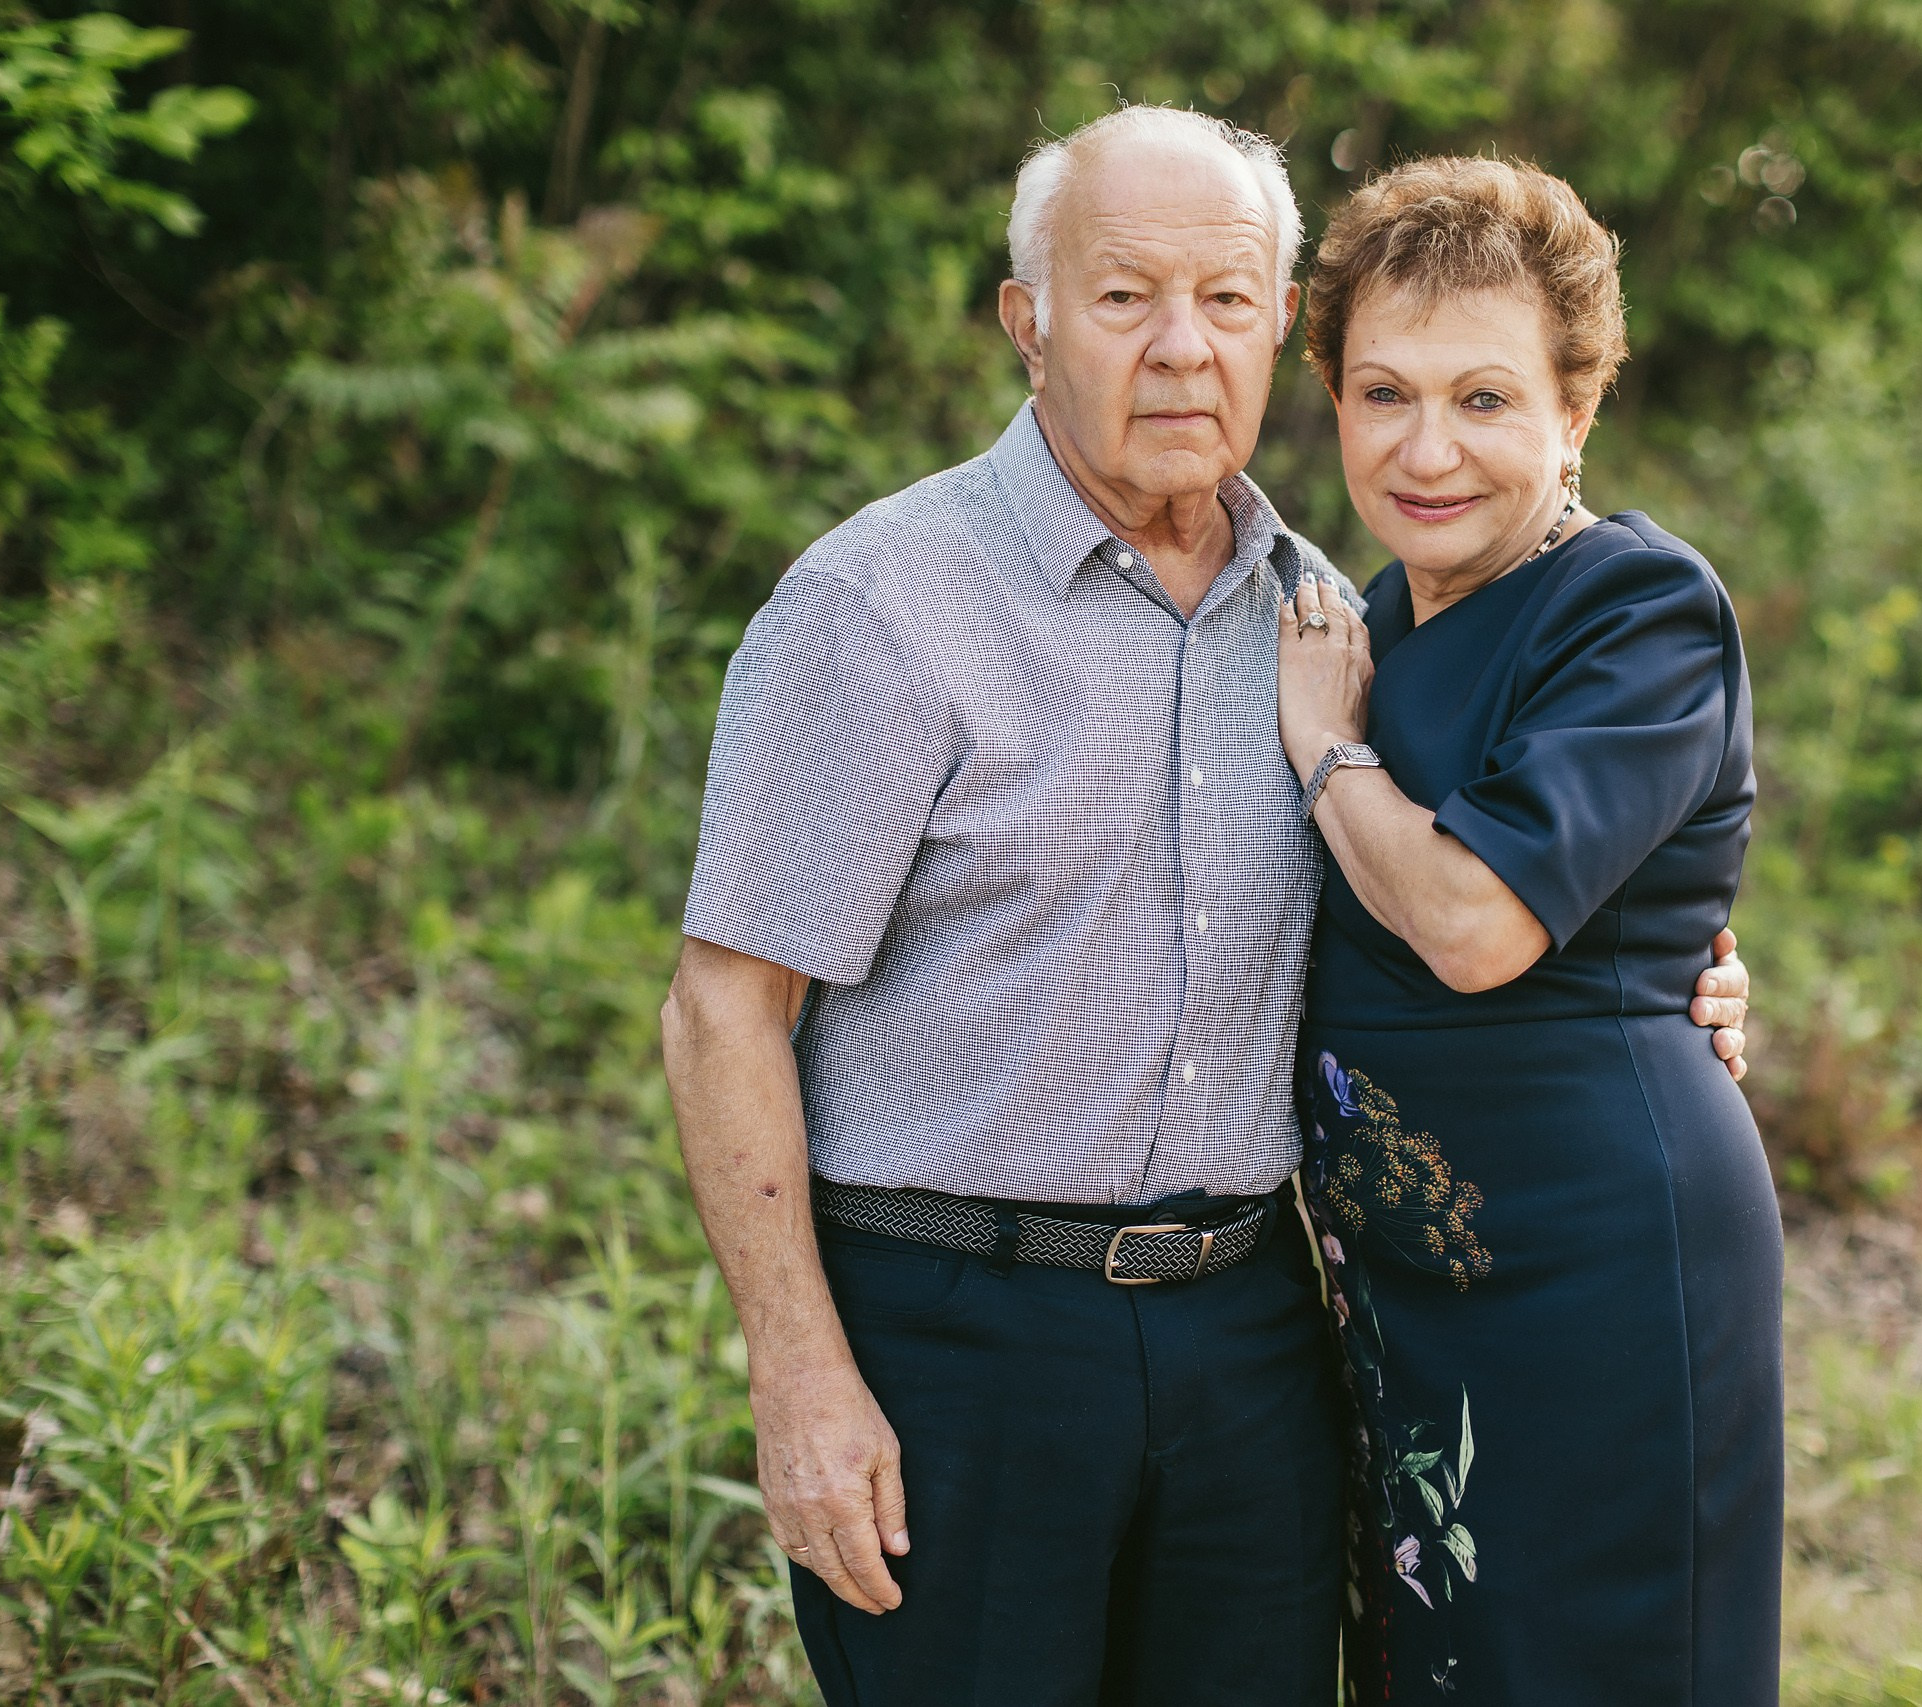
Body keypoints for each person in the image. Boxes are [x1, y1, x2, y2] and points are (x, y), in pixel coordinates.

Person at [660, 109, 1753, 1707]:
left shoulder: (1326, 621)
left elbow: (1487, 879)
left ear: (1276, 329)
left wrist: (1678, 976)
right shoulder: (881, 604)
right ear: (1029, 321)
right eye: (1125, 298)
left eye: (1228, 301)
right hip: (958, 1335)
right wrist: (797, 1371)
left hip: (1255, 1341)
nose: (1181, 347)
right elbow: (723, 1008)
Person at [1276, 156, 1781, 1704]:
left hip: (1592, 1270)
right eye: (1385, 394)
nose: (1427, 449)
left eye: (1484, 398)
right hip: (1409, 1291)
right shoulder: (1366, 621)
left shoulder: (1634, 608)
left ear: (1578, 411)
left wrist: (1328, 752)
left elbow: (1477, 924)